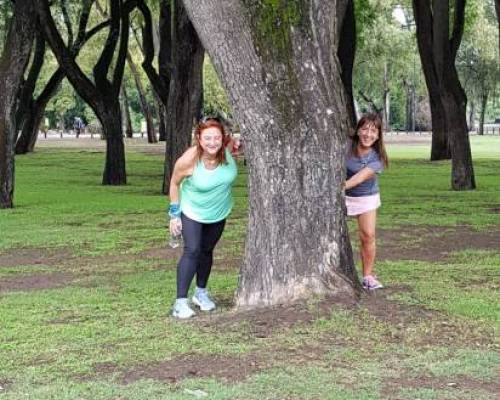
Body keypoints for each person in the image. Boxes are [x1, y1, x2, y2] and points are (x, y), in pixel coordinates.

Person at [168, 117, 239, 319]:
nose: (212, 142)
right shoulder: (188, 160)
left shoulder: (225, 150)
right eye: (207, 138)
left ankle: (200, 293)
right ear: (199, 138)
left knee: (207, 251)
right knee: (192, 250)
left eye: (217, 138)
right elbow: (174, 184)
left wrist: (233, 144)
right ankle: (180, 302)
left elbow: (235, 144)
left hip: (218, 212)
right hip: (192, 211)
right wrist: (174, 215)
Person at [345, 113, 389, 290]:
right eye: (364, 129)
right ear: (357, 131)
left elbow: (356, 180)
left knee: (367, 236)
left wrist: (333, 188)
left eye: (373, 131)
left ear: (378, 135)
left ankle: (368, 276)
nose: (368, 134)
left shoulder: (377, 158)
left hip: (365, 197)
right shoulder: (346, 146)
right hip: (342, 196)